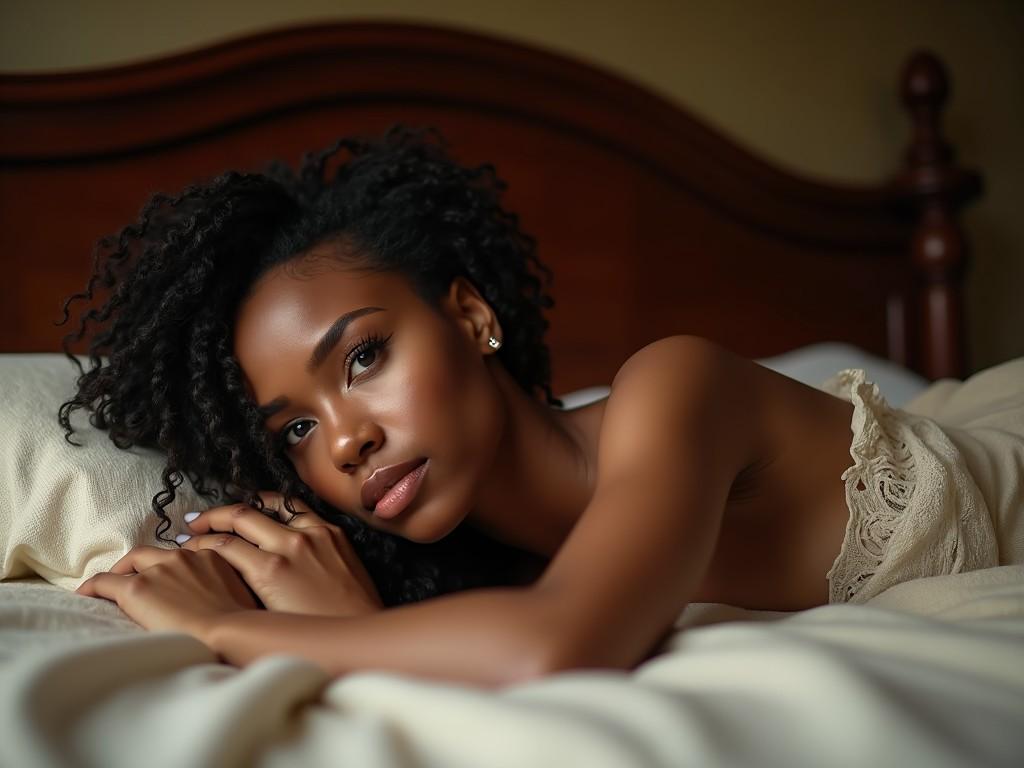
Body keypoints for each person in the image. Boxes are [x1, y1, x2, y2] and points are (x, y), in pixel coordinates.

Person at [63, 127, 1010, 688]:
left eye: (363, 355)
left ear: (471, 316)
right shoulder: (489, 582)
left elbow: (556, 650)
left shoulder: (673, 389)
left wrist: (233, 632)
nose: (346, 438)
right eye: (297, 429)